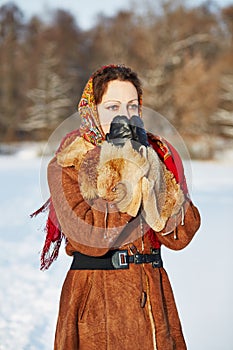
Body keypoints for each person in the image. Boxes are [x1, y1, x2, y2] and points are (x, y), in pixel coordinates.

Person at [35, 64, 201, 349]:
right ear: (92, 111)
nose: (125, 115)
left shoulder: (156, 156)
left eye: (132, 106)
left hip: (152, 300)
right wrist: (123, 171)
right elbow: (89, 239)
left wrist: (151, 169)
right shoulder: (68, 164)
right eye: (112, 106)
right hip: (97, 301)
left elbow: (181, 234)